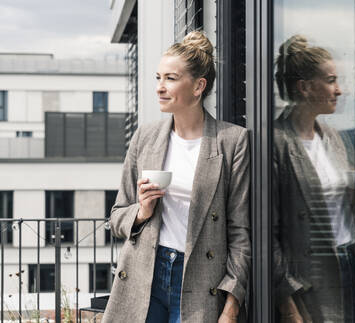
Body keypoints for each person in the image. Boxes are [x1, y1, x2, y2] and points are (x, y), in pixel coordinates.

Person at [102, 31, 251, 323]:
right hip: (146, 276)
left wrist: (231, 307)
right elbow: (117, 218)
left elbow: (240, 234)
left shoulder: (232, 141)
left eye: (170, 78)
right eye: (158, 78)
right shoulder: (145, 137)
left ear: (198, 86)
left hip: (199, 282)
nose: (159, 87)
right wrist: (142, 212)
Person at [273, 35, 355, 323]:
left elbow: (337, 203)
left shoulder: (334, 138)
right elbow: (266, 234)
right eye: (331, 80)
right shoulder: (275, 142)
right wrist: (287, 304)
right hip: (310, 277)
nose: (340, 90)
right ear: (305, 87)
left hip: (350, 261)